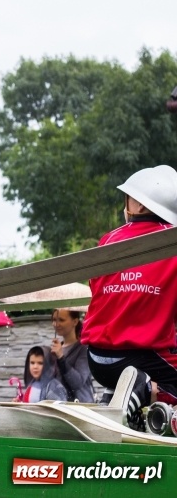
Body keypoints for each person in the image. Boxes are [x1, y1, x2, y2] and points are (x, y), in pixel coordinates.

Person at [81, 165, 177, 431]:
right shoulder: (172, 247)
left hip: (97, 359)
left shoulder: (108, 241)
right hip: (136, 358)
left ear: (139, 206)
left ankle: (121, 398)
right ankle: (141, 389)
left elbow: (99, 292)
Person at [50, 308, 94, 403]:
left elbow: (77, 383)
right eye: (54, 320)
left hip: (80, 407)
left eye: (61, 320)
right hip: (60, 406)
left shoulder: (83, 349)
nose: (56, 324)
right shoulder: (56, 348)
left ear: (75, 321)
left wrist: (61, 357)